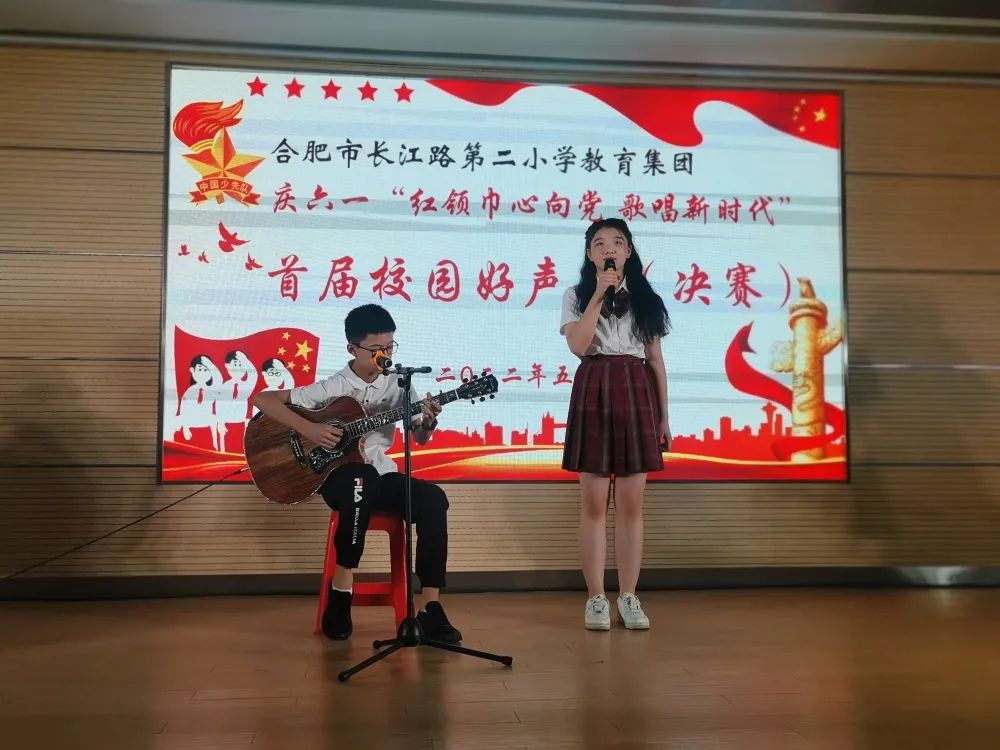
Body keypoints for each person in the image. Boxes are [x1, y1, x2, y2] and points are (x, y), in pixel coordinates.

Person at [252, 304, 461, 643]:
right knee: (359, 480)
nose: (384, 356)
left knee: (433, 498)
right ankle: (341, 590)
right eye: (376, 349)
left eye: (389, 348)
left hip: (380, 474)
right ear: (353, 348)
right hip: (338, 477)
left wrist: (428, 421)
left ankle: (431, 607)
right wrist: (310, 429)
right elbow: (263, 399)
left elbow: (420, 437)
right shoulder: (334, 386)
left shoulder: (400, 385)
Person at [559, 218, 672, 631]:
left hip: (636, 389)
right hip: (594, 384)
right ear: (590, 254)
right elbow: (578, 345)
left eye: (618, 242)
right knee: (592, 505)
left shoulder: (647, 299)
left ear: (628, 252)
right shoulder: (575, 295)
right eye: (600, 243)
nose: (610, 248)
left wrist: (664, 416)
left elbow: (655, 361)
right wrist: (598, 294)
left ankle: (628, 596)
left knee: (631, 506)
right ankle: (595, 598)